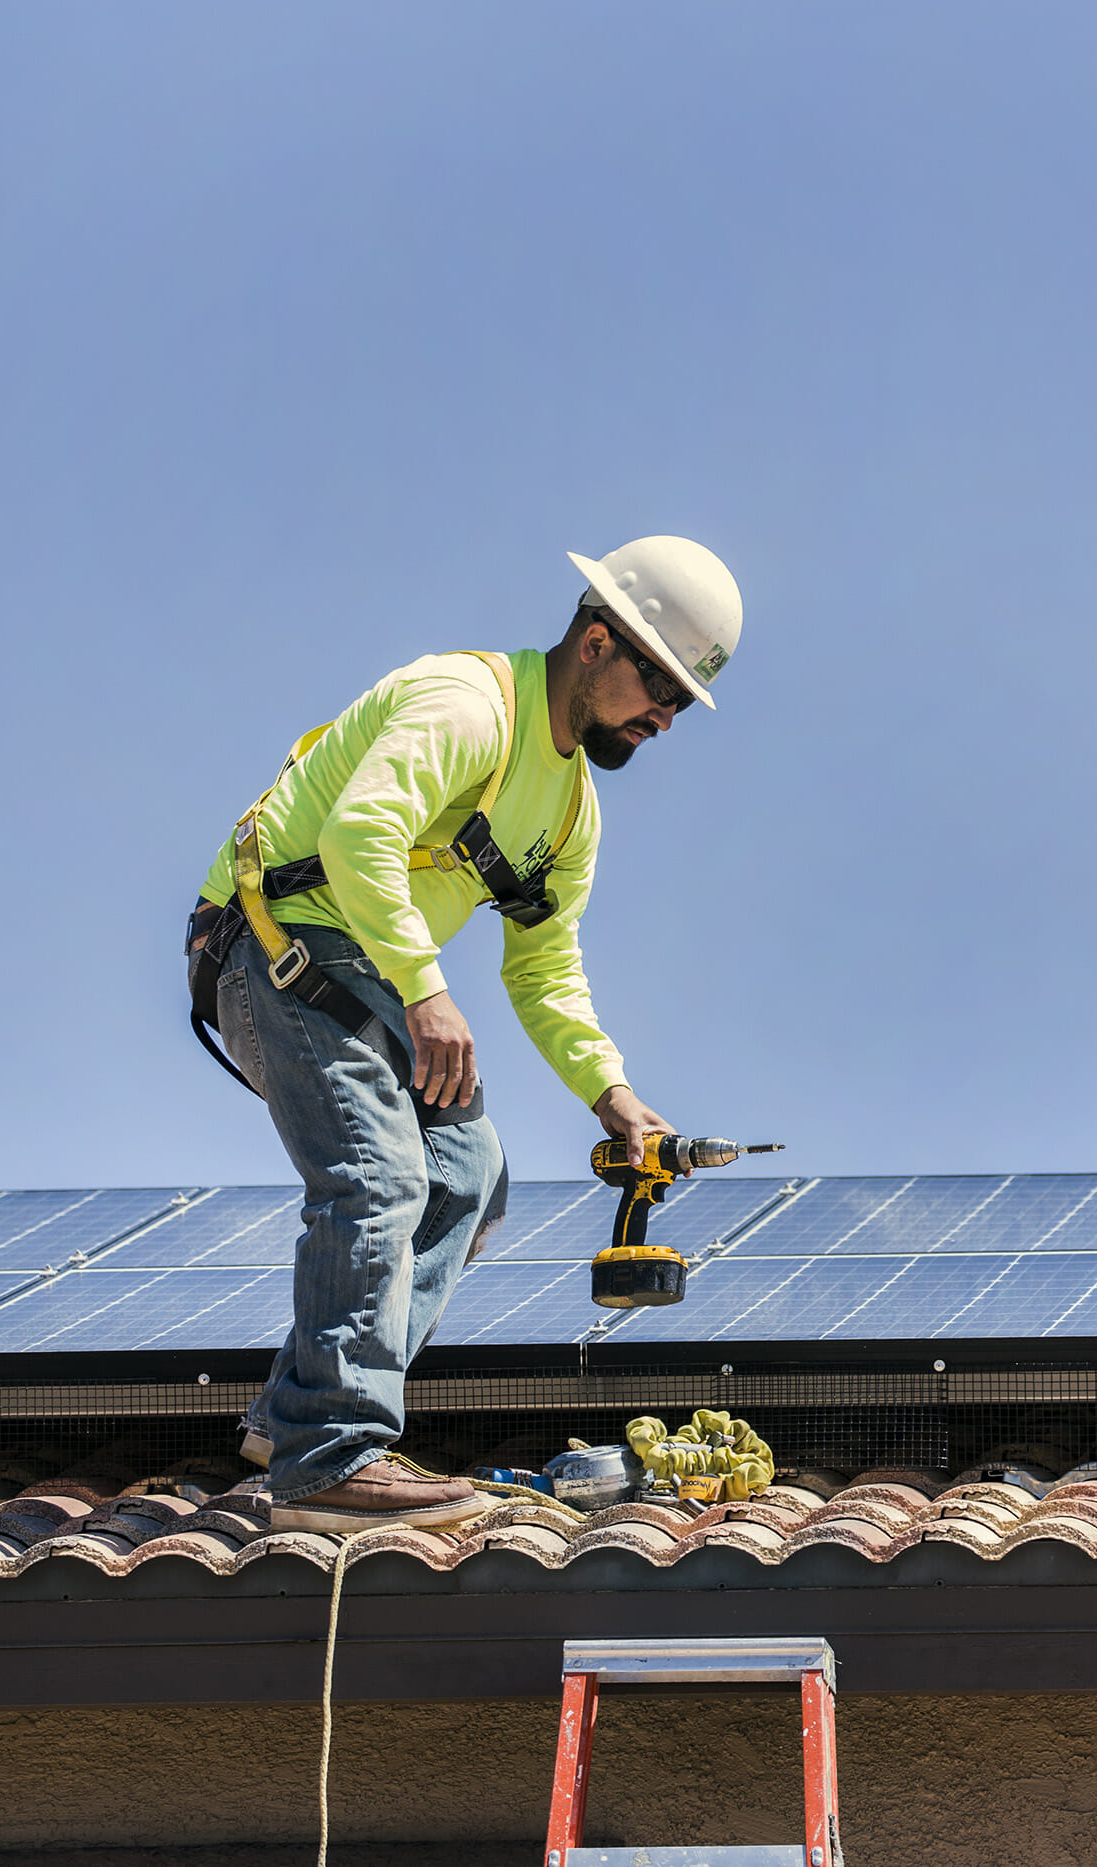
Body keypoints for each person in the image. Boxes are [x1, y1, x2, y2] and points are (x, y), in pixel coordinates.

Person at [186, 536, 744, 1532]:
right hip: (271, 936)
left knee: (467, 1173)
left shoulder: (570, 812)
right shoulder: (468, 703)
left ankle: (291, 1415)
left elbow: (542, 967)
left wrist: (609, 1090)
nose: (664, 717)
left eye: (679, 704)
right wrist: (429, 992)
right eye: (657, 685)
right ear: (596, 641)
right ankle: (330, 1460)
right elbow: (360, 832)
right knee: (379, 1173)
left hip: (371, 968)